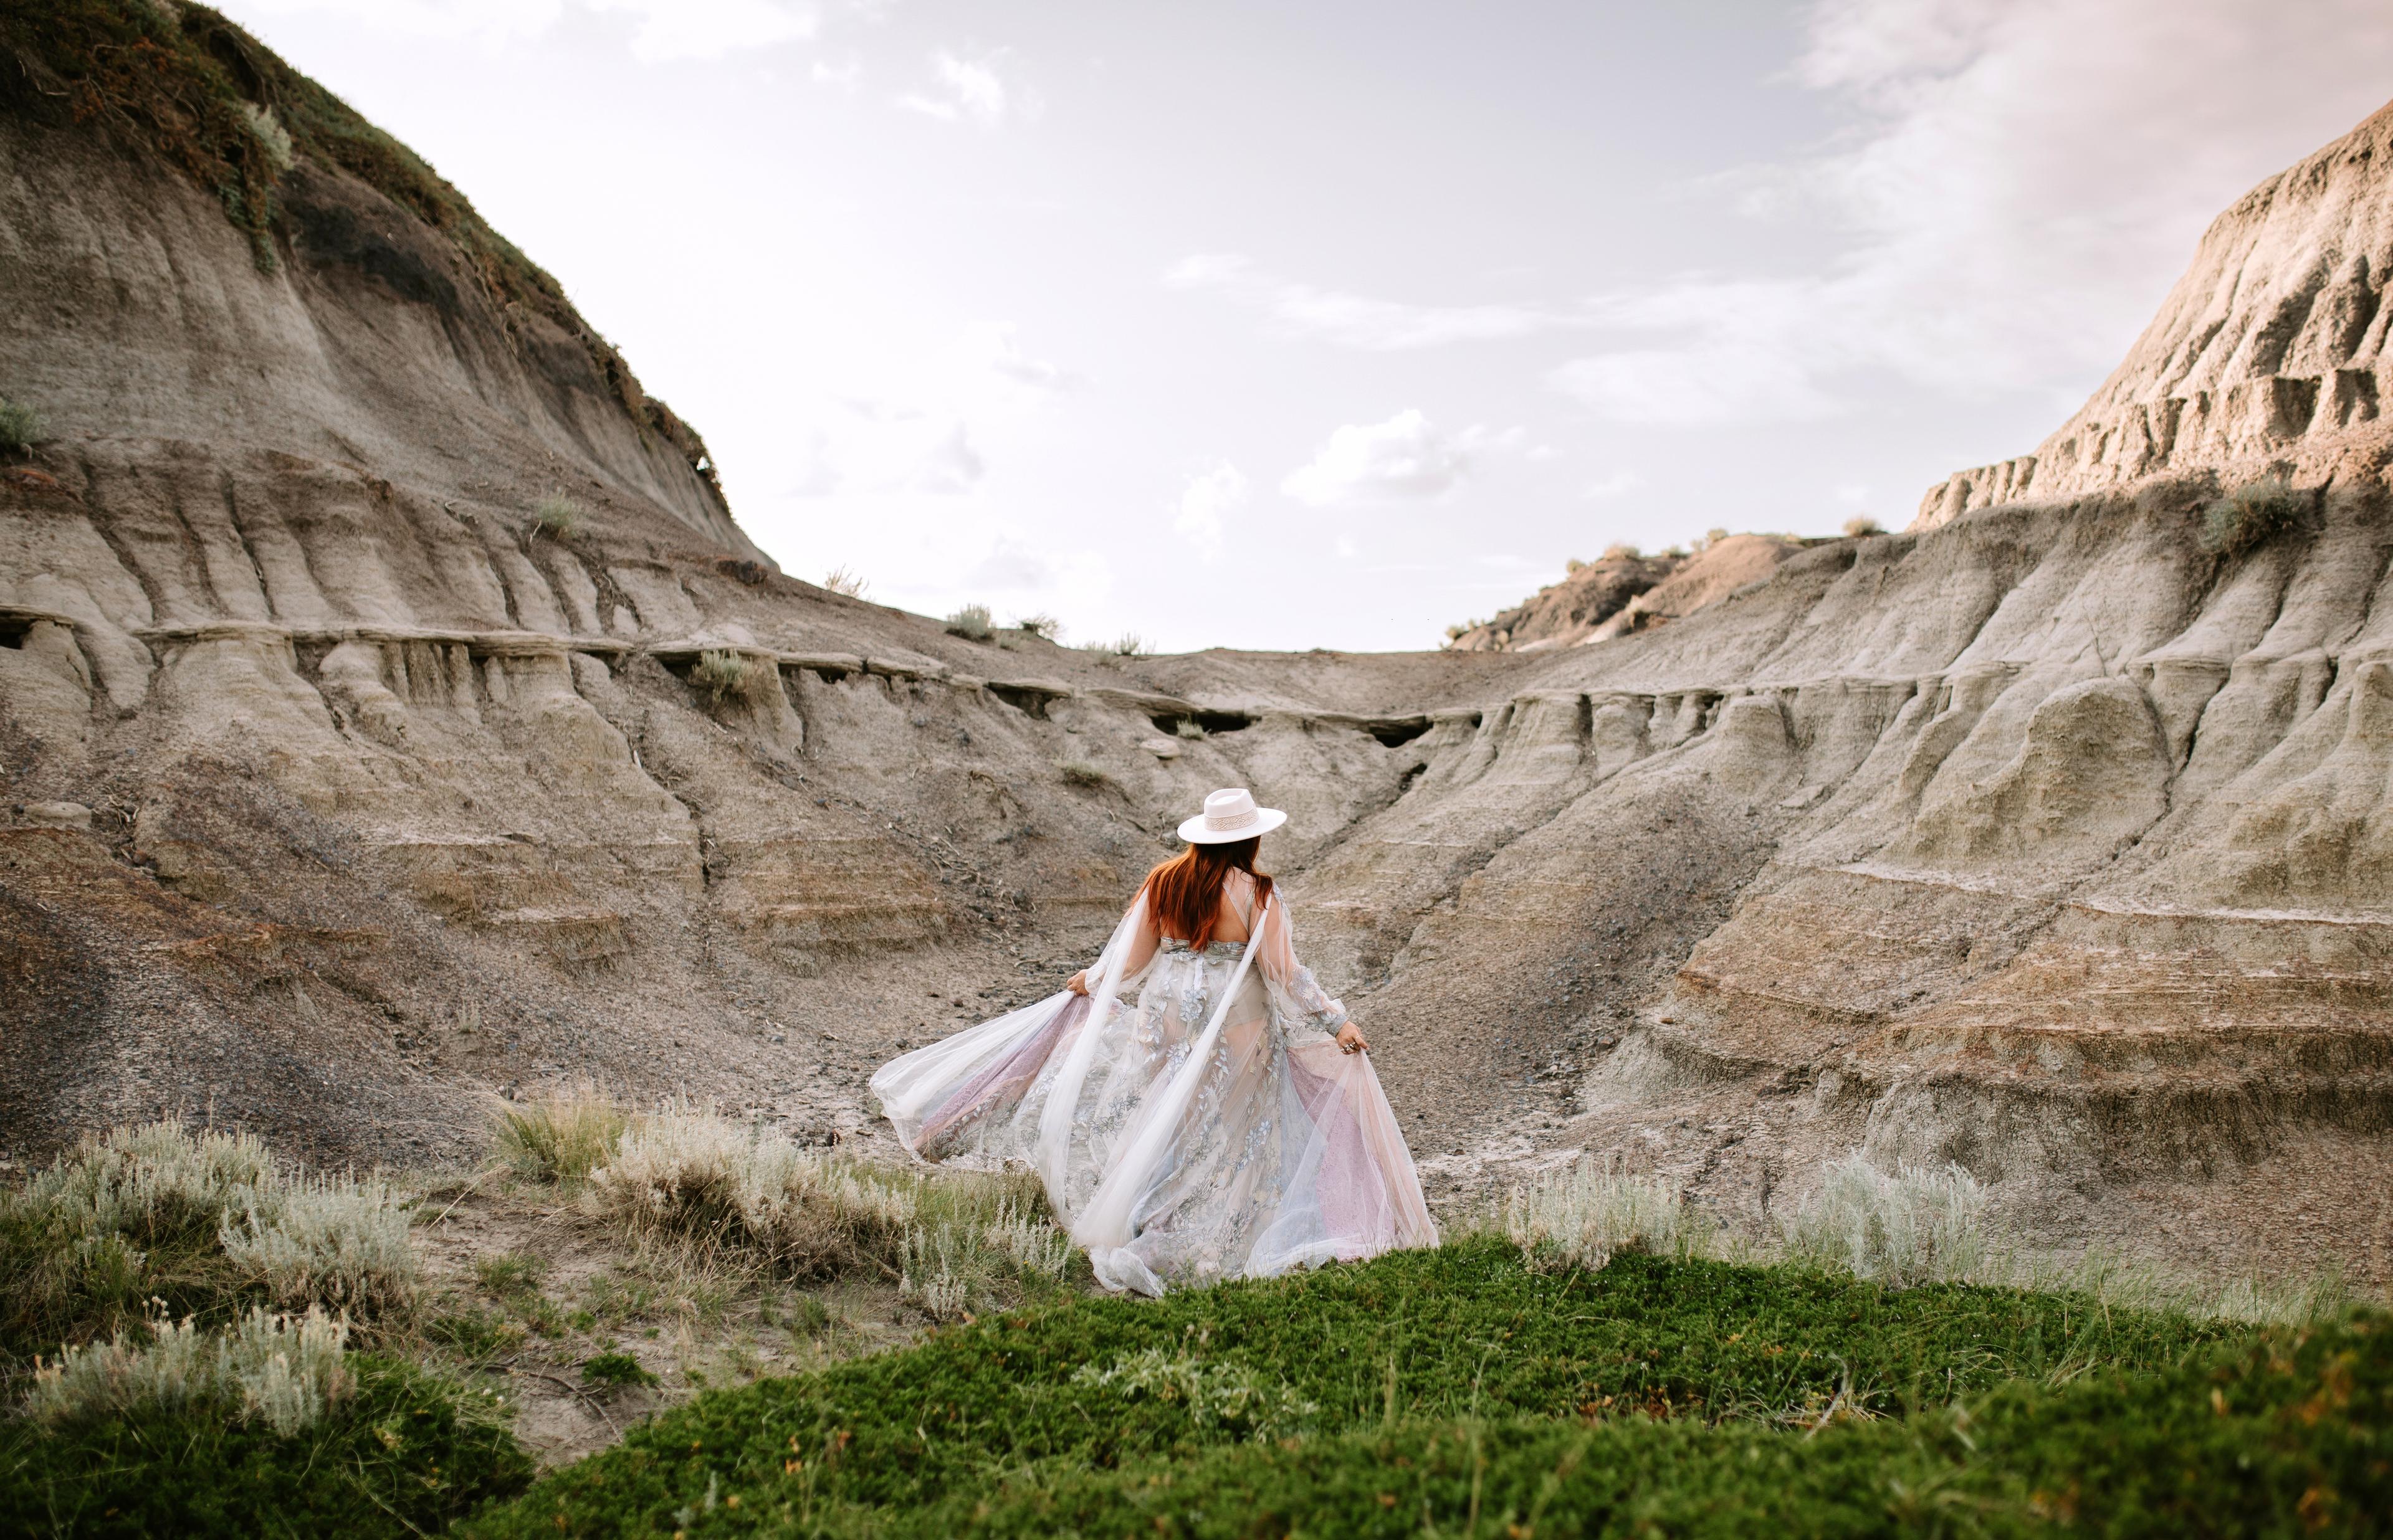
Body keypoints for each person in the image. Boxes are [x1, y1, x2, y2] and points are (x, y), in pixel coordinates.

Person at [871, 787, 1438, 1295]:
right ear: (1252, 838)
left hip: (1164, 1012)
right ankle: (1199, 1237)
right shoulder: (1256, 892)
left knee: (1164, 1120)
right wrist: (1336, 1021)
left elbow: (1132, 959)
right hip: (1233, 1020)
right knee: (1228, 1133)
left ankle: (1149, 1219)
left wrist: (1092, 984)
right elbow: (1285, 972)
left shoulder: (1165, 880)